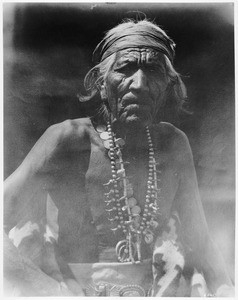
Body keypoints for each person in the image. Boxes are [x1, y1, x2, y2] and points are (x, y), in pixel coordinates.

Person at [4, 19, 234, 297]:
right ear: (102, 84)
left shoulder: (174, 143)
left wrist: (226, 291)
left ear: (167, 86)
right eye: (125, 69)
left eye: (153, 71)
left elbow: (200, 243)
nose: (139, 83)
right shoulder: (65, 139)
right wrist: (47, 289)